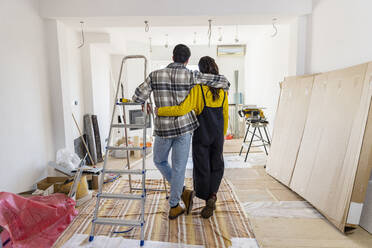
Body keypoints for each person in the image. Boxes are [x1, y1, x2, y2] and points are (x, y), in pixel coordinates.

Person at [132, 45, 230, 220]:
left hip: (163, 129)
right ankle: (176, 202)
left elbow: (137, 96)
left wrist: (145, 101)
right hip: (184, 129)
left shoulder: (155, 75)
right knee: (179, 168)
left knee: (159, 160)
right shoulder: (192, 76)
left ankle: (180, 197)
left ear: (172, 57)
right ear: (187, 60)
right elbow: (223, 82)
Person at [156, 56, 228, 219]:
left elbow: (182, 109)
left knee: (202, 167)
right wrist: (221, 136)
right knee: (217, 166)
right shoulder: (223, 91)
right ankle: (212, 197)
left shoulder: (198, 89)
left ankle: (200, 195)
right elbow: (225, 115)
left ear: (202, 72)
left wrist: (160, 111)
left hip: (202, 135)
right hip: (217, 135)